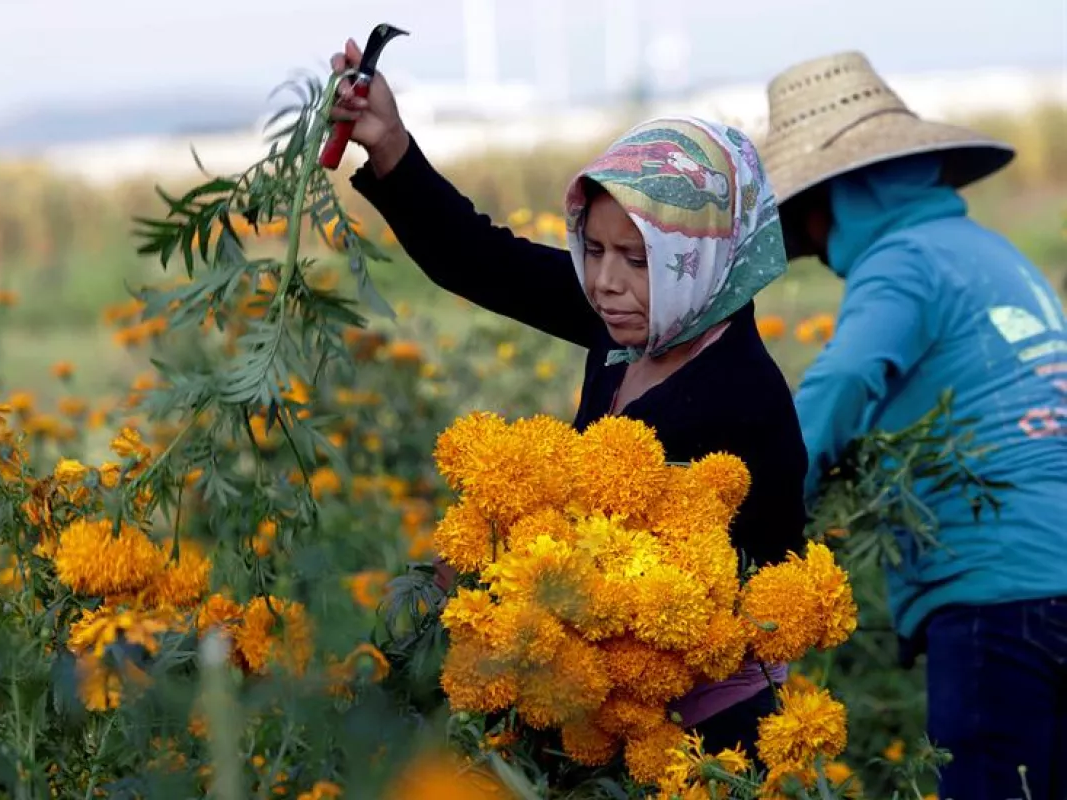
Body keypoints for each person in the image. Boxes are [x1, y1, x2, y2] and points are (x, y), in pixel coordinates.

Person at [327, 39, 809, 760]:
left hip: (706, 739)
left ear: (703, 257)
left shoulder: (739, 399)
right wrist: (390, 144)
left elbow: (647, 590)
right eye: (597, 249)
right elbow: (480, 259)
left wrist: (494, 569)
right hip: (600, 704)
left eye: (638, 259)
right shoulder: (634, 320)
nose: (607, 280)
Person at [762, 51, 1067, 800]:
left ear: (839, 194)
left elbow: (842, 379)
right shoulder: (994, 254)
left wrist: (764, 499)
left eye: (805, 209)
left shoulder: (900, 260)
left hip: (997, 595)